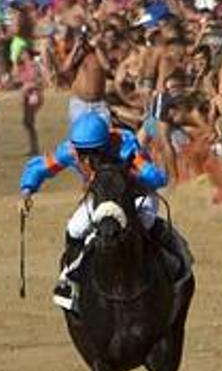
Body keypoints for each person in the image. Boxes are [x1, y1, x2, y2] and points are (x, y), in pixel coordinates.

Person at [19, 112, 190, 313]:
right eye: (82, 152)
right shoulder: (70, 150)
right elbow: (39, 167)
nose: (86, 158)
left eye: (93, 152)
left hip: (136, 196)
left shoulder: (125, 144)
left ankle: (172, 263)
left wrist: (135, 174)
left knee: (145, 222)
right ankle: (69, 279)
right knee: (75, 228)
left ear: (105, 144)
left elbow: (154, 177)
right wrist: (26, 191)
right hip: (102, 198)